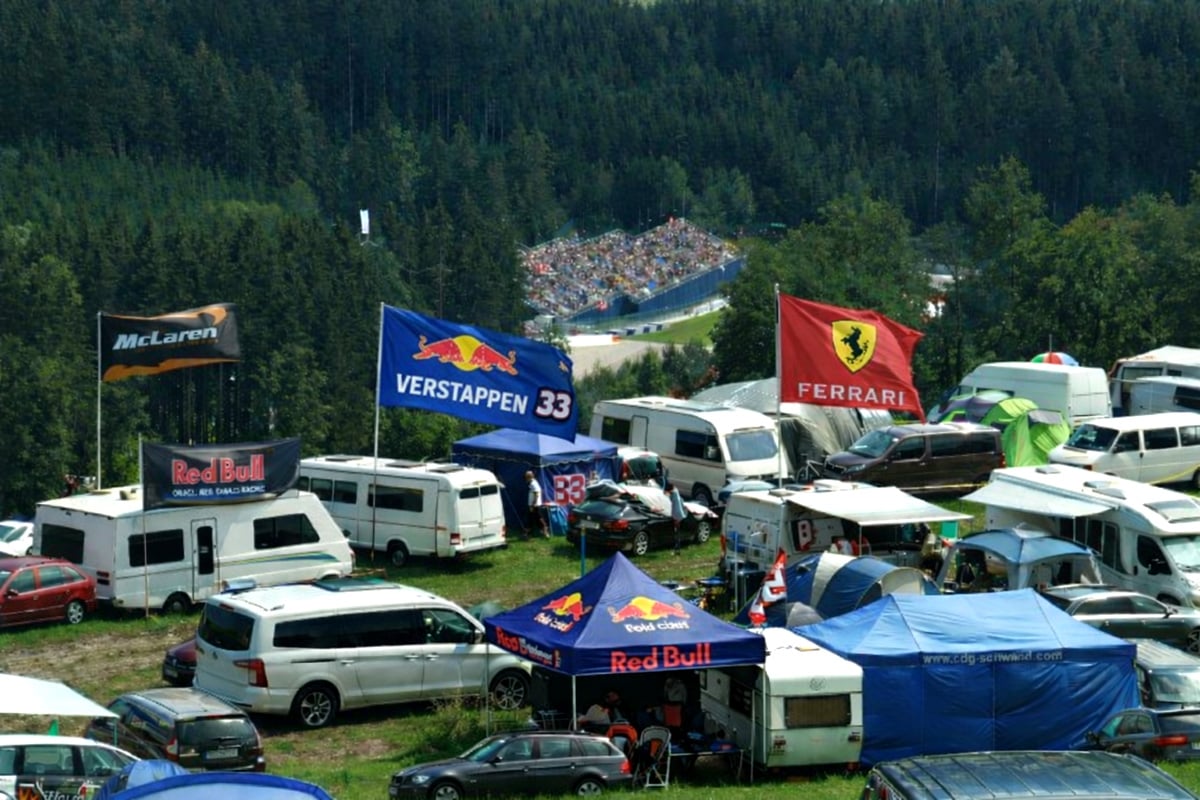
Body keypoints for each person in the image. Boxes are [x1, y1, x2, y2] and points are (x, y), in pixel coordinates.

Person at [526, 471, 547, 538]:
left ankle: (545, 530)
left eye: (526, 477)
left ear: (529, 477)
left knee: (538, 518)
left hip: (535, 505)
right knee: (532, 518)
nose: (525, 478)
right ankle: (529, 532)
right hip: (534, 505)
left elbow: (537, 493)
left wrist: (533, 504)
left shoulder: (533, 483)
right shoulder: (532, 483)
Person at [668, 483, 685, 555]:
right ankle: (677, 548)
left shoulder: (673, 494)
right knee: (678, 531)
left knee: (677, 532)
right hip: (679, 514)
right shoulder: (676, 492)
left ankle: (677, 548)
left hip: (677, 514)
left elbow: (670, 499)